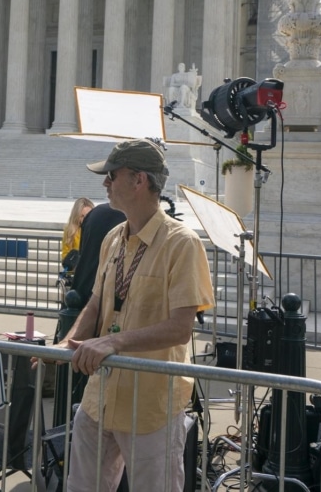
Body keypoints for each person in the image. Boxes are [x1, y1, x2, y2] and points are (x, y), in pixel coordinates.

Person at [59, 138, 215, 492]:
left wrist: (112, 341)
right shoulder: (114, 237)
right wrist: (65, 344)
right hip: (101, 396)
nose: (105, 184)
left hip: (151, 404)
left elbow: (180, 329)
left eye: (112, 175)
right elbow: (97, 303)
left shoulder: (182, 243)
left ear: (139, 180)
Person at [61, 197, 94, 264]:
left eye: (88, 215)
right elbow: (65, 254)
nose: (85, 219)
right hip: (76, 271)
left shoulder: (97, 229)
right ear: (76, 216)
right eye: (82, 216)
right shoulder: (70, 230)